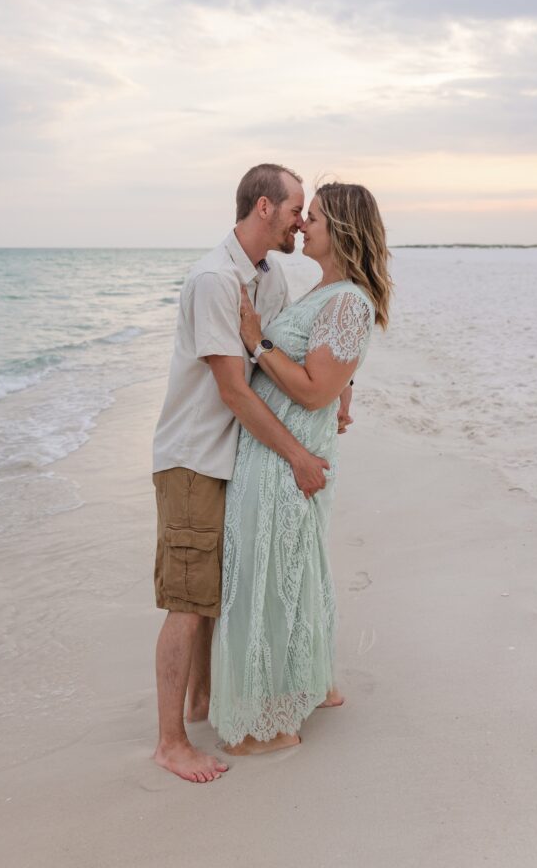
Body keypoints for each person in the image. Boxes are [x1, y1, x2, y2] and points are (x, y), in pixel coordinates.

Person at [152, 164, 351, 784]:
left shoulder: (267, 276)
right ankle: (170, 742)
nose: (302, 219)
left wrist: (343, 387)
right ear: (265, 208)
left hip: (234, 455)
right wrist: (296, 454)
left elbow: (281, 350)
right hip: (194, 457)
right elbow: (236, 391)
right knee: (189, 600)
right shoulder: (216, 279)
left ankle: (204, 702)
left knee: (216, 592)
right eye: (296, 208)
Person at [209, 183, 392, 754]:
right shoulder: (327, 291)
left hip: (286, 460)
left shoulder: (346, 300)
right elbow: (332, 373)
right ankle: (312, 686)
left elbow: (314, 390)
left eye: (311, 218)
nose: (301, 227)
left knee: (270, 577)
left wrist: (257, 342)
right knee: (289, 570)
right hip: (281, 454)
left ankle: (274, 725)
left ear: (339, 229)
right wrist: (345, 388)